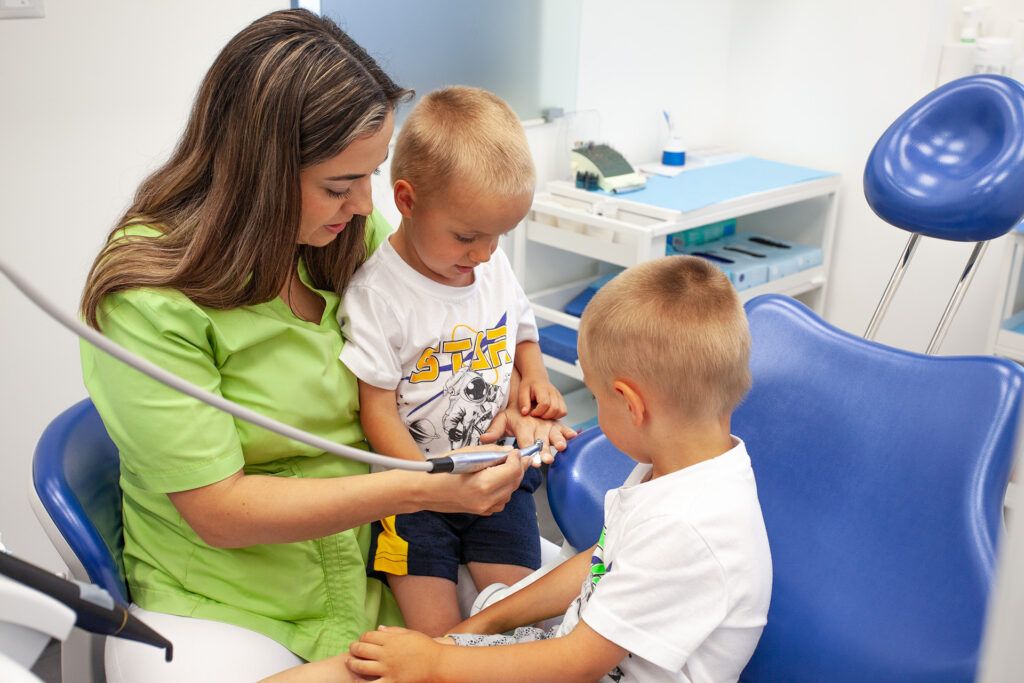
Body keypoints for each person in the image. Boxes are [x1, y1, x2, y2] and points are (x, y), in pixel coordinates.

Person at [79, 10, 555, 682]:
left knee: (567, 626)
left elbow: (451, 328)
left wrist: (506, 399)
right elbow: (220, 511)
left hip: (377, 553)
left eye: (371, 176)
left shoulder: (342, 235)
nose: (364, 205)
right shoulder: (147, 299)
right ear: (259, 172)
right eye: (338, 185)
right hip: (238, 599)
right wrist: (422, 489)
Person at [343, 254, 774, 682]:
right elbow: (603, 560)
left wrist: (435, 662)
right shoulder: (682, 467)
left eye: (597, 397)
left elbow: (577, 663)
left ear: (630, 404)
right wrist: (481, 624)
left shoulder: (685, 525)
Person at [337, 85, 576, 637]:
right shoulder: (377, 295)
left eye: (498, 237)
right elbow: (376, 412)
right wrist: (429, 486)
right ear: (406, 201)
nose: (485, 255)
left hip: (497, 475)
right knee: (438, 640)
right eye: (467, 236)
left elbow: (521, 331)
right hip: (412, 498)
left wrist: (536, 378)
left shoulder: (489, 265)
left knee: (517, 619)